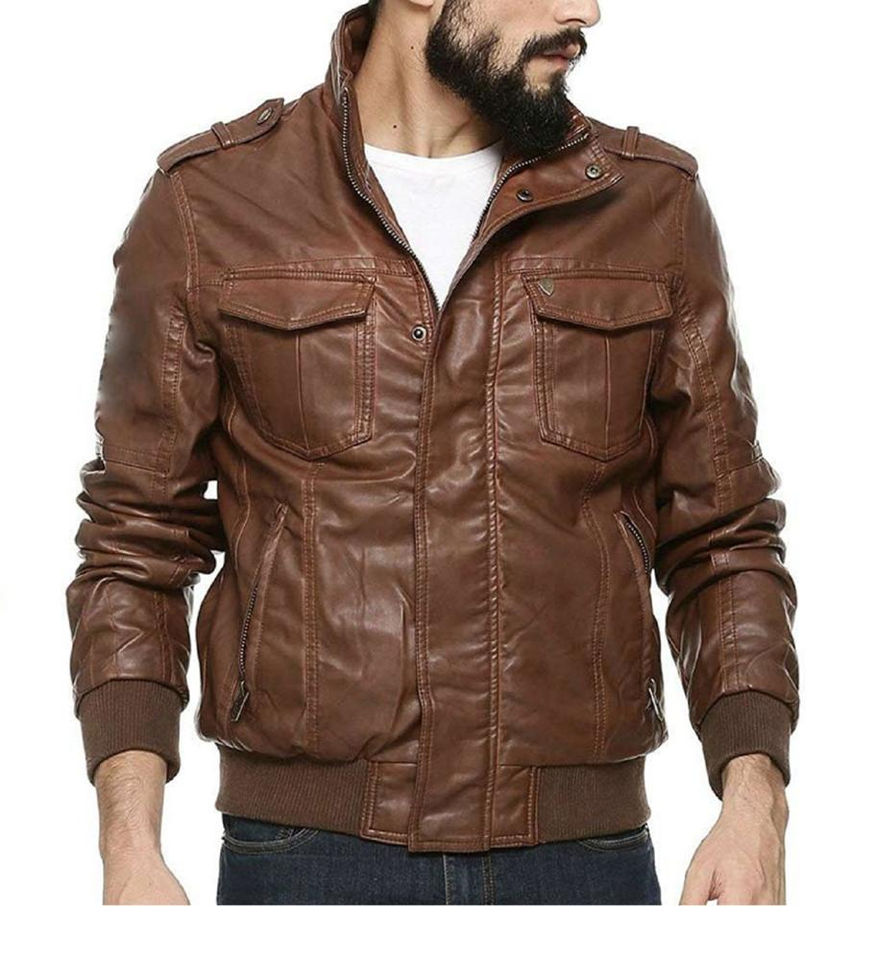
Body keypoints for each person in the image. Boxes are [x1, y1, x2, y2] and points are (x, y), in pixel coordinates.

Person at [66, 0, 800, 905]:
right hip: (307, 856)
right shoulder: (213, 203)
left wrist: (754, 803)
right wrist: (129, 845)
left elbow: (724, 533)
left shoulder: (649, 203)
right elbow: (136, 538)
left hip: (584, 855)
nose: (586, 11)